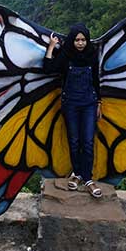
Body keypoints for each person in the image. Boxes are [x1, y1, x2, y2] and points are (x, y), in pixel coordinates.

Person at [43, 22, 103, 199]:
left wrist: (99, 102)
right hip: (70, 104)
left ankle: (88, 179)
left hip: (89, 104)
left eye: (83, 39)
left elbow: (95, 79)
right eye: (77, 40)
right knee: (74, 141)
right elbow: (47, 69)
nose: (80, 43)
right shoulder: (66, 56)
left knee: (88, 142)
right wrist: (51, 47)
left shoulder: (92, 55)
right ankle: (77, 174)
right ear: (72, 40)